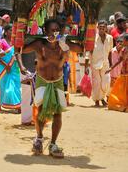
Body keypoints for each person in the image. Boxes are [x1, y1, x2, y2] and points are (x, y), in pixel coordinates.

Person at [23, 19, 84, 158]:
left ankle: (53, 143)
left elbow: (81, 49)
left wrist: (65, 44)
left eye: (57, 30)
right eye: (52, 30)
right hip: (42, 80)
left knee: (58, 113)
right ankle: (39, 138)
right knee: (41, 110)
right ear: (45, 31)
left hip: (57, 81)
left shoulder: (64, 44)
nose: (55, 33)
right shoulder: (39, 44)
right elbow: (21, 48)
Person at [85, 20, 113, 107]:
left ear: (106, 28)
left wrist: (111, 65)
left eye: (103, 27)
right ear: (97, 28)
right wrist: (86, 66)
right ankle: (98, 99)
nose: (101, 29)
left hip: (105, 63)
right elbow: (88, 52)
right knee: (97, 83)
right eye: (100, 27)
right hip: (95, 63)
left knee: (106, 82)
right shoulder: (93, 38)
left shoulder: (110, 38)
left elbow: (110, 52)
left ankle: (102, 97)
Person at [0, 25, 21, 111]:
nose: (12, 32)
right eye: (10, 30)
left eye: (13, 30)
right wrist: (6, 65)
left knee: (15, 86)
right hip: (3, 68)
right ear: (5, 32)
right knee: (5, 87)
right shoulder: (1, 42)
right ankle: (3, 104)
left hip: (14, 67)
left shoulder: (16, 43)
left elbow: (16, 53)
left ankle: (16, 105)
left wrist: (11, 63)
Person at [107, 33, 128, 112]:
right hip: (123, 73)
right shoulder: (123, 50)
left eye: (123, 41)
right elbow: (120, 60)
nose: (122, 42)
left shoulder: (124, 49)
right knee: (122, 91)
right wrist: (111, 68)